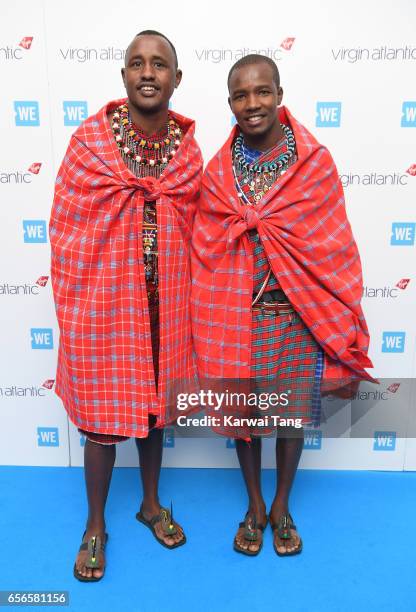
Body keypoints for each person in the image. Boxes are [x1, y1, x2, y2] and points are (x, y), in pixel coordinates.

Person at [191, 55, 374, 557]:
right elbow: (207, 245)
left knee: (291, 414)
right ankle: (253, 505)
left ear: (279, 93)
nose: (252, 104)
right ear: (230, 103)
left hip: (297, 315)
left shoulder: (312, 165)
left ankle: (281, 506)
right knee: (245, 417)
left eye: (262, 92)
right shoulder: (217, 172)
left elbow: (332, 243)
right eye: (241, 95)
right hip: (238, 314)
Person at [50, 30, 203, 581]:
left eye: (159, 64)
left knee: (154, 411)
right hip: (107, 305)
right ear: (122, 76)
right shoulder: (91, 144)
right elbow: (67, 225)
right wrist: (89, 296)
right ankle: (95, 525)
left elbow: (199, 228)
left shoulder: (187, 152)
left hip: (168, 308)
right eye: (137, 63)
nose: (147, 72)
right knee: (101, 420)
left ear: (176, 79)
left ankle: (150, 504)